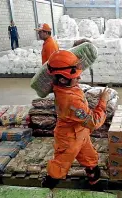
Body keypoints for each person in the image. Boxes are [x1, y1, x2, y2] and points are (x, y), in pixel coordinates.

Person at [41, 50, 109, 189]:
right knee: (59, 167)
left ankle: (95, 185)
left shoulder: (65, 86)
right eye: (76, 76)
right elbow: (93, 122)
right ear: (62, 79)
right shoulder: (71, 101)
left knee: (91, 159)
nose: (79, 79)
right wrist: (103, 101)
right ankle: (45, 190)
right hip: (69, 139)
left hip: (80, 133)